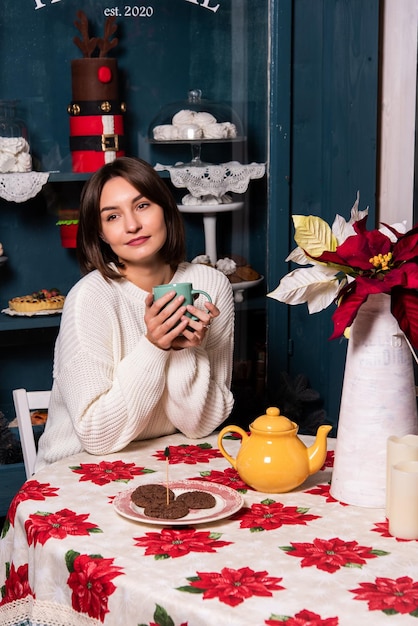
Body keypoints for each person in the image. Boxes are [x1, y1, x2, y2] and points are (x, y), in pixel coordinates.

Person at [35, 157, 234, 470]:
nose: (132, 225)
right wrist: (154, 346)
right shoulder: (90, 297)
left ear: (166, 210)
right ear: (100, 233)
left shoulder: (210, 284)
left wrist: (186, 351)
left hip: (165, 465)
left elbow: (199, 427)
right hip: (76, 471)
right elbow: (96, 437)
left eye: (142, 206)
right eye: (112, 216)